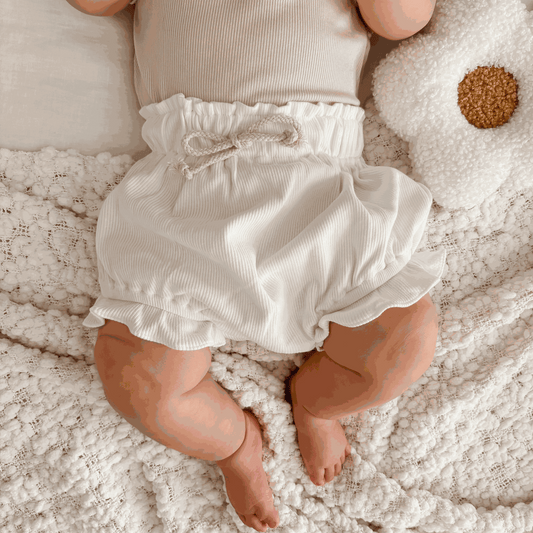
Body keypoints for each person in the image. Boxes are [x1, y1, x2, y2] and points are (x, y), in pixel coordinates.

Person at [74, 0, 444, 530]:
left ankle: (318, 402)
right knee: (139, 383)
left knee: (404, 341)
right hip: (190, 192)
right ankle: (232, 444)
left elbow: (402, 20)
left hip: (318, 189)